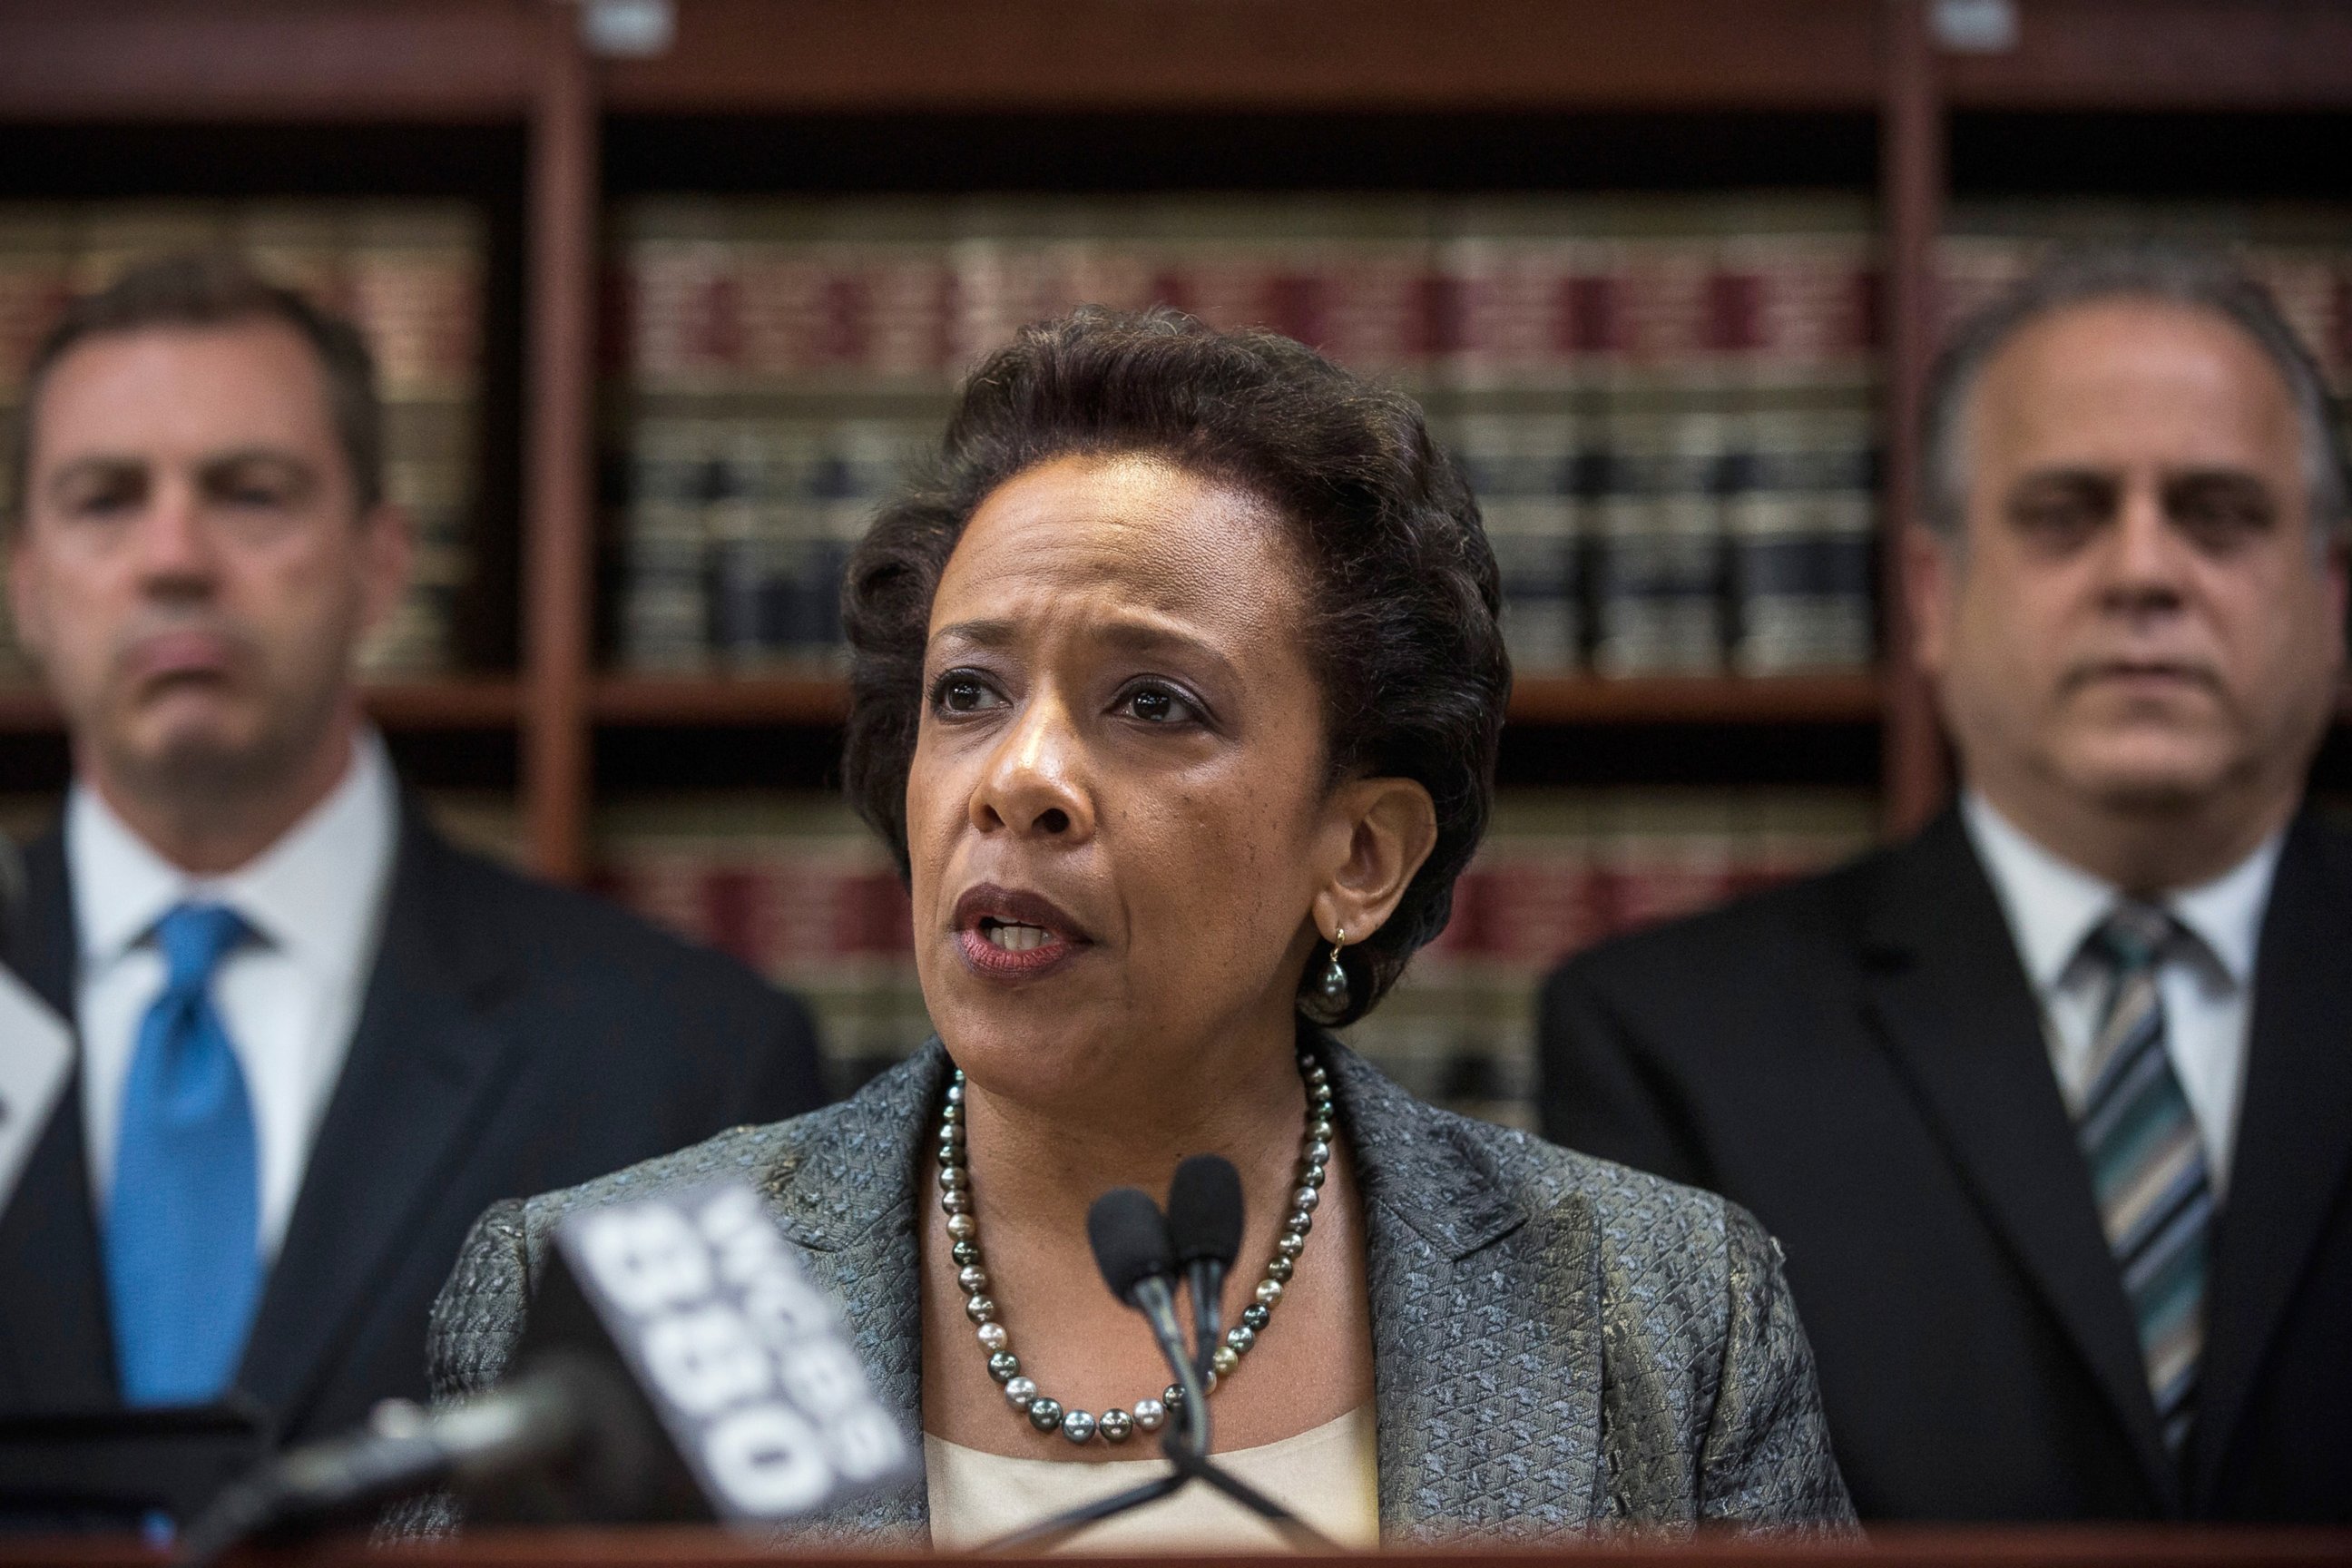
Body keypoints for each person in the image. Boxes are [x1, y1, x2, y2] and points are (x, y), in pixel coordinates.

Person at [408, 307, 1854, 1547]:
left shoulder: (1660, 1314)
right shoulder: (587, 1298)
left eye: (1153, 703)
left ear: (1359, 854)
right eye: (967, 695)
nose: (1020, 781)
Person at [1538, 247, 2352, 1522]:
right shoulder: (1672, 1046)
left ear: (2330, 596)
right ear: (1932, 598)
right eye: (2064, 515)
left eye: (2220, 515)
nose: (2146, 574)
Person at [0, 256, 828, 1455]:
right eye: (105, 499)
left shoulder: (686, 1071)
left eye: (251, 493)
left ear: (381, 564)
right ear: (25, 583)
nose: (173, 557)